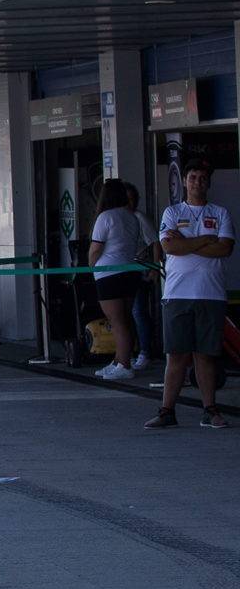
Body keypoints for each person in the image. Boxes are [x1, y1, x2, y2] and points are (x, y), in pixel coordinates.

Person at [145, 159, 235, 429]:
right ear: (184, 181)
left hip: (212, 294)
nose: (197, 182)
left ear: (208, 182)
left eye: (202, 178)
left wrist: (187, 243)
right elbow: (170, 247)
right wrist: (207, 239)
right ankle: (166, 411)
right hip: (177, 293)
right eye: (193, 177)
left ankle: (210, 410)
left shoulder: (220, 213)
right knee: (176, 355)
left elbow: (225, 248)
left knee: (205, 355)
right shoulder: (171, 213)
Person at [88, 179, 141, 380]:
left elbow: (96, 248)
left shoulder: (105, 217)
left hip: (108, 273)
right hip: (130, 271)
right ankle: (120, 360)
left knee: (117, 321)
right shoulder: (131, 216)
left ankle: (124, 364)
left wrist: (90, 266)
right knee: (126, 318)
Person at [124, 182, 159, 370]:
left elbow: (155, 242)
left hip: (139, 269)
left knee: (138, 311)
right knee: (125, 314)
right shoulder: (117, 218)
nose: (129, 203)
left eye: (132, 199)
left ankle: (146, 351)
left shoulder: (139, 218)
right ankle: (128, 352)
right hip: (122, 271)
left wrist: (154, 266)